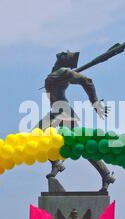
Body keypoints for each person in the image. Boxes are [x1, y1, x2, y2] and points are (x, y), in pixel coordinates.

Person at [35, 51, 116, 191]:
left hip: (64, 111)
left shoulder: (65, 72)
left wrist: (95, 103)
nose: (59, 54)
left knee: (82, 145)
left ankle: (106, 174)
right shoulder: (59, 73)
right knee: (37, 137)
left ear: (65, 60)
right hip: (56, 111)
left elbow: (87, 81)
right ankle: (56, 164)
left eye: (63, 55)